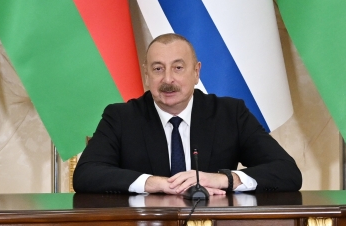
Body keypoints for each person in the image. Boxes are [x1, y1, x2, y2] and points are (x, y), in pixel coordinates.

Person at [73, 33, 302, 195]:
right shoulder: (121, 117)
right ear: (147, 75)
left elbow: (287, 172)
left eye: (178, 68)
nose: (168, 79)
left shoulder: (229, 114)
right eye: (158, 69)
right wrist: (154, 183)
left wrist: (222, 179)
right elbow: (86, 174)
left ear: (196, 72)